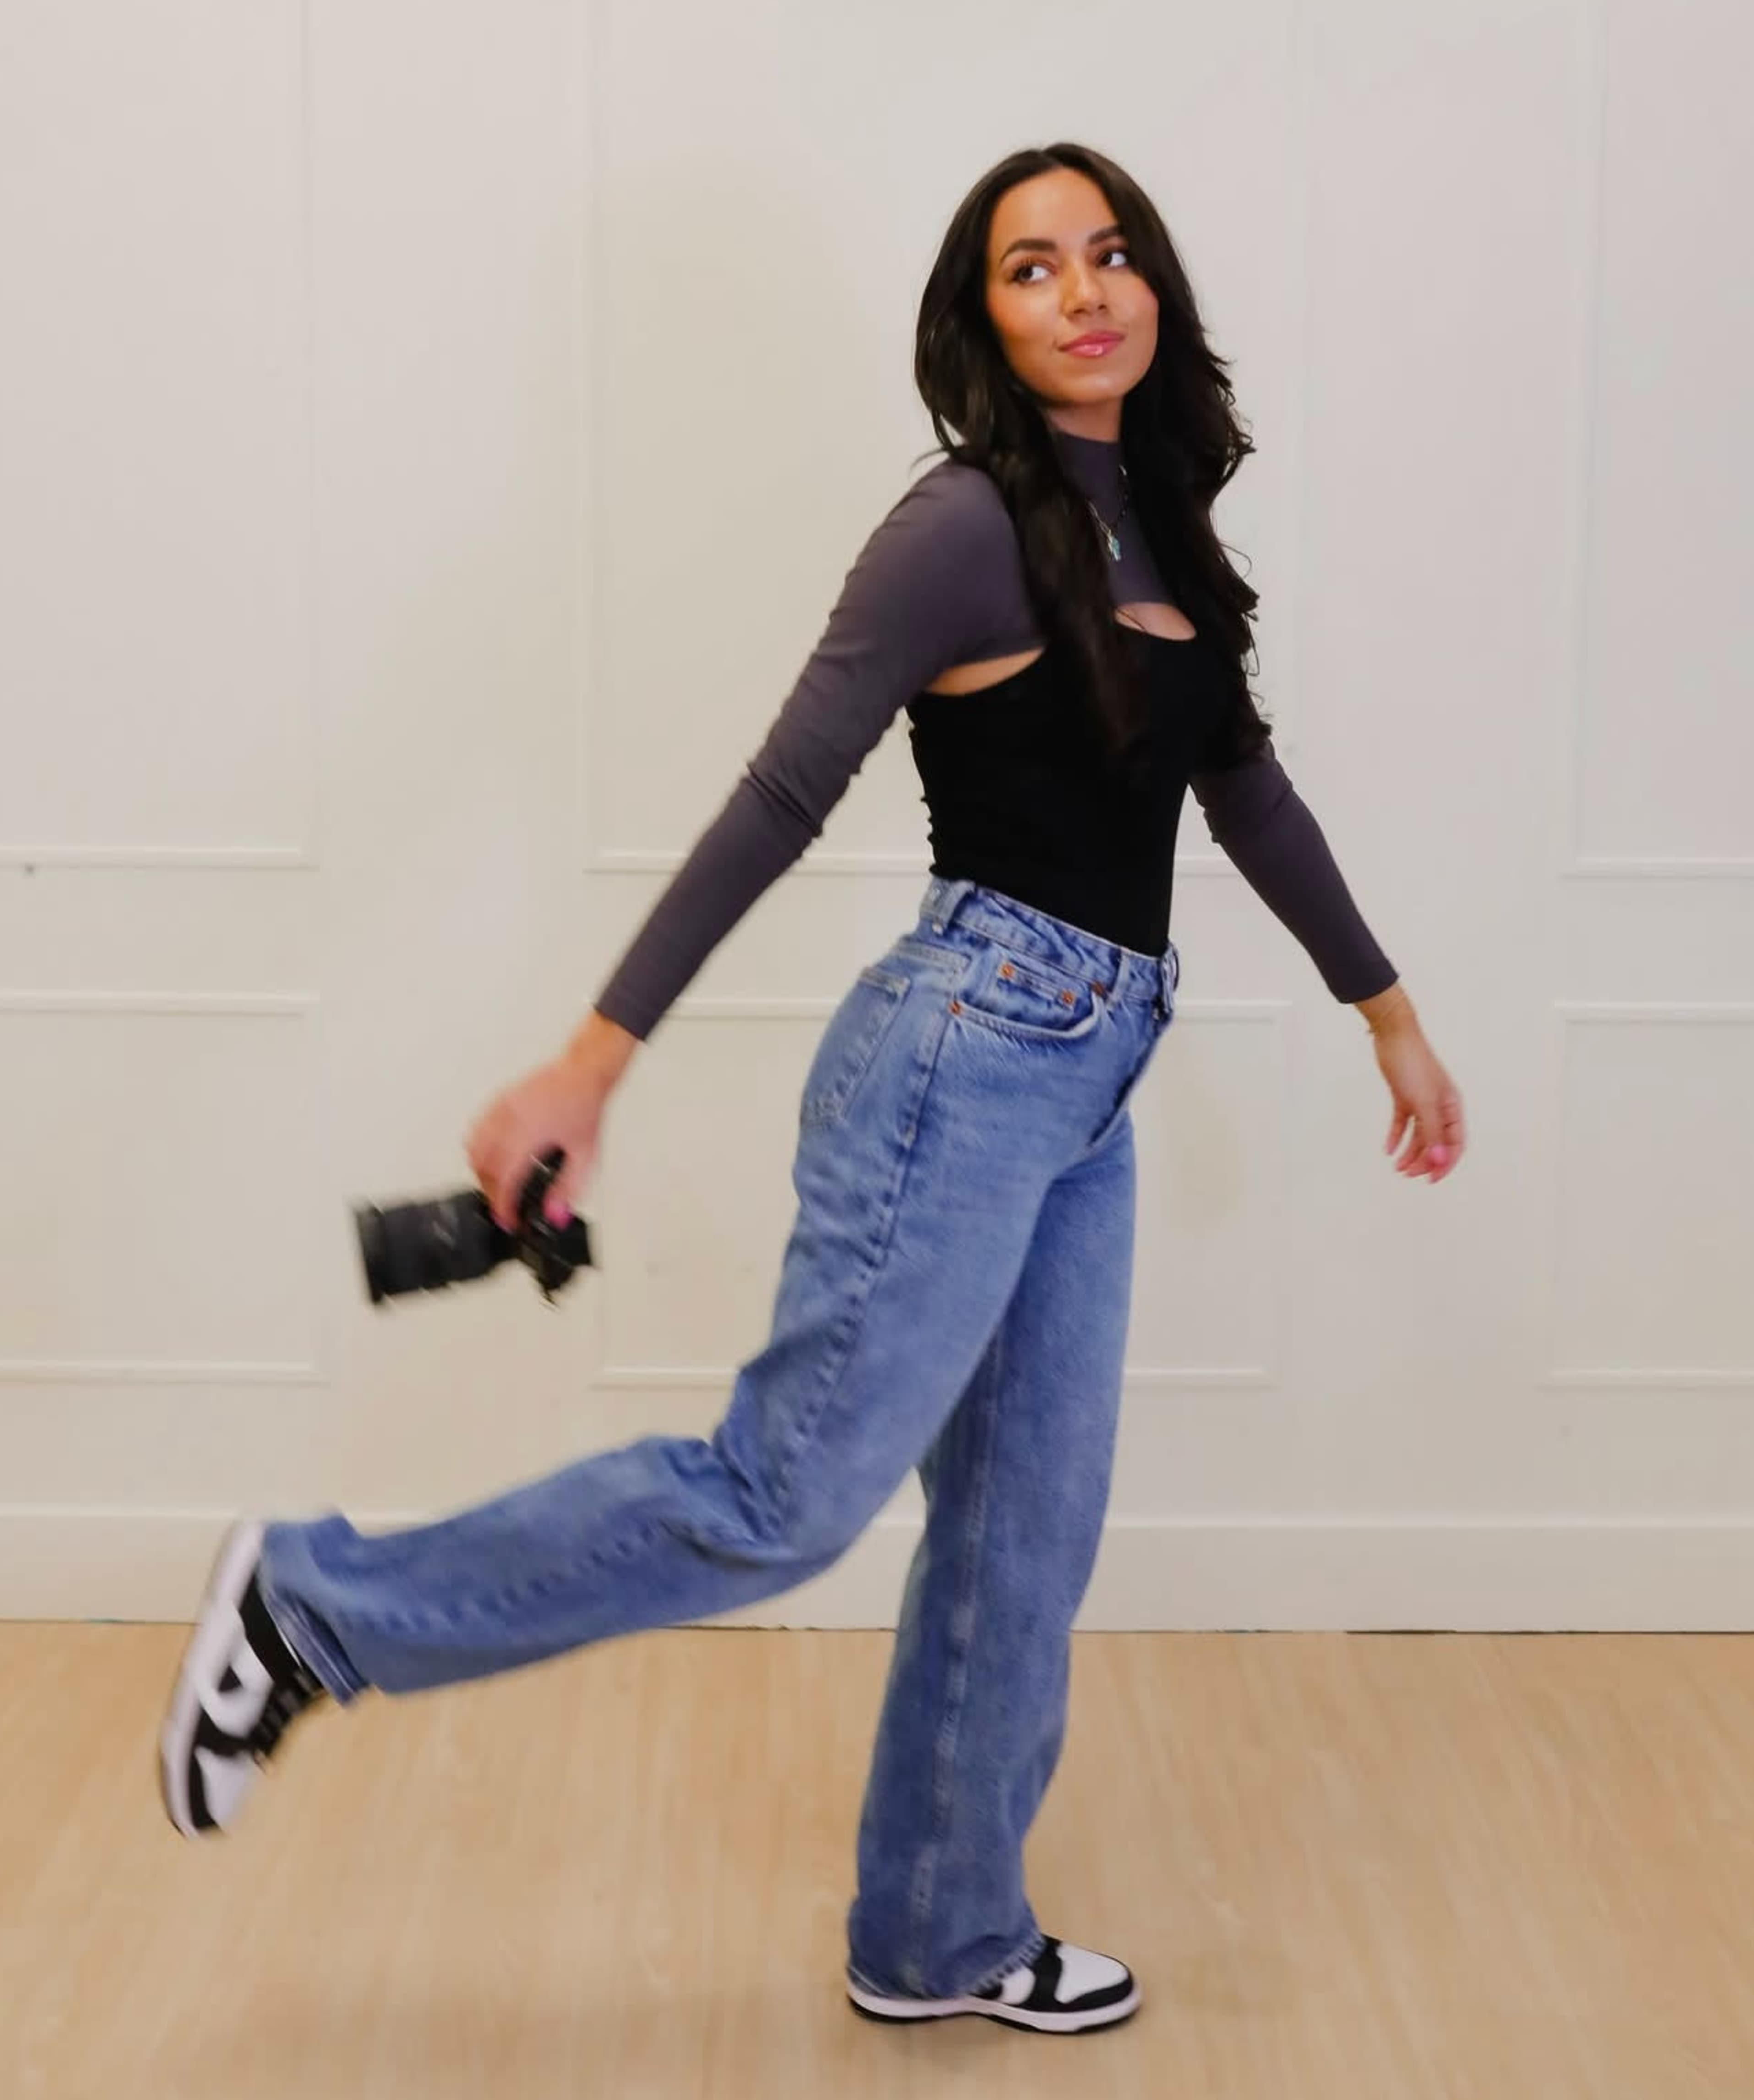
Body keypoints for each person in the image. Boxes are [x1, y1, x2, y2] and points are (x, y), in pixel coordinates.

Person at [159, 141, 1464, 2036]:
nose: (1084, 289)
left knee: (1026, 1525)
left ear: (1154, 289)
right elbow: (785, 795)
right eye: (1033, 267)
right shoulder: (961, 527)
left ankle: (938, 1927)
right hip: (962, 1057)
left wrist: (1387, 1006)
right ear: (985, 321)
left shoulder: (1169, 523)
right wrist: (588, 1066)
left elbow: (1238, 780)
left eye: (1111, 255)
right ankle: (309, 1609)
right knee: (783, 1496)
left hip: (1088, 1075)